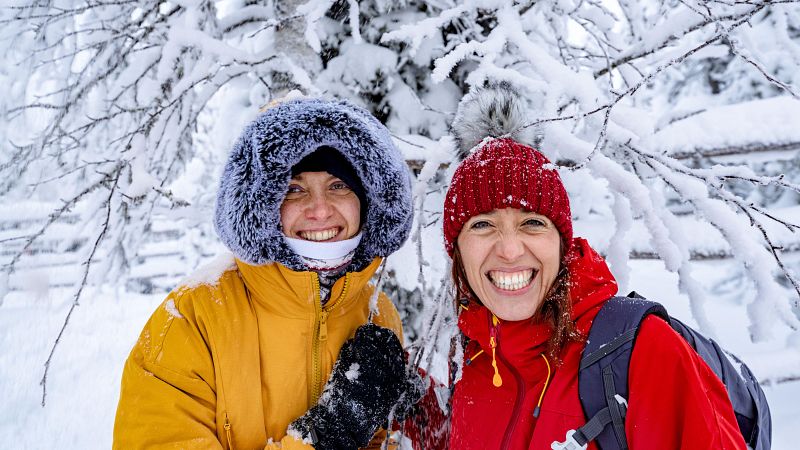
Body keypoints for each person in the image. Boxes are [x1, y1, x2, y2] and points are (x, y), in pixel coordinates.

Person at [433, 84, 747, 449]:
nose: (509, 249)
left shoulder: (643, 352)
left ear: (563, 243)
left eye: (532, 223)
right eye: (482, 225)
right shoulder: (476, 357)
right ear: (457, 251)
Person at [114, 97, 415, 449]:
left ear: (367, 200)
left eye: (338, 185)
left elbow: (388, 440)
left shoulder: (378, 315)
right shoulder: (191, 319)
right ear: (262, 205)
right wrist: (320, 442)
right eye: (294, 189)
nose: (319, 210)